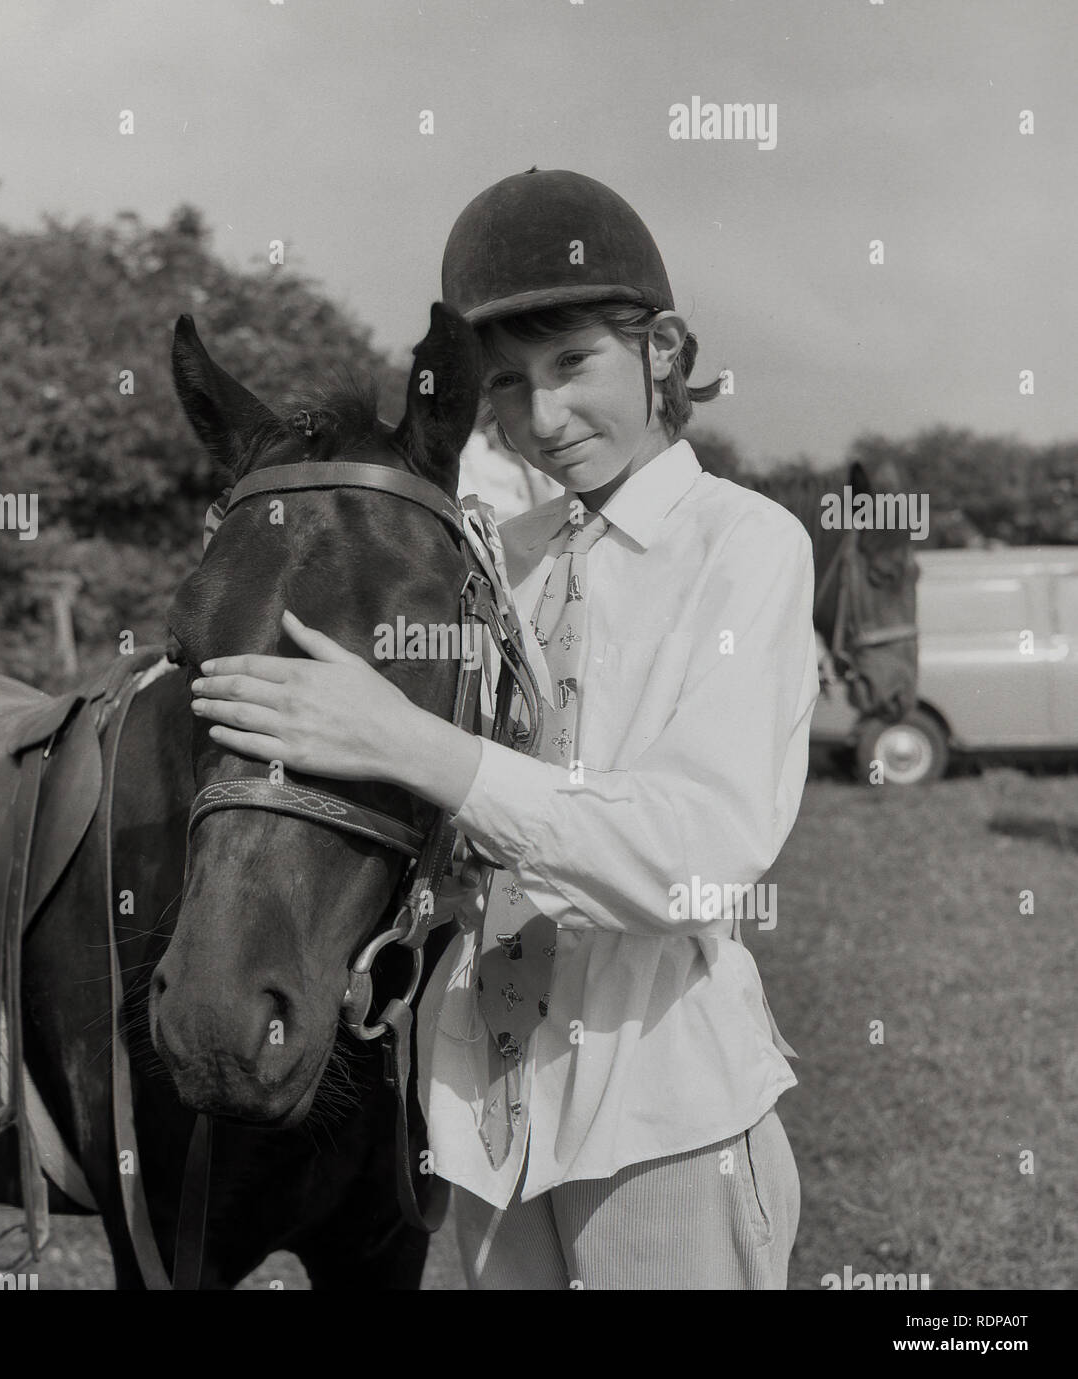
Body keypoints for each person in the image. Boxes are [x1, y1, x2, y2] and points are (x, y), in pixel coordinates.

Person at [189, 168, 819, 1289]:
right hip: (477, 1122)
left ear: (663, 348)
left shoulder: (747, 544)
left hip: (659, 1113)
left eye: (573, 364)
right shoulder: (489, 557)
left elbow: (698, 857)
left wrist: (408, 744)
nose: (543, 417)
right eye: (509, 388)